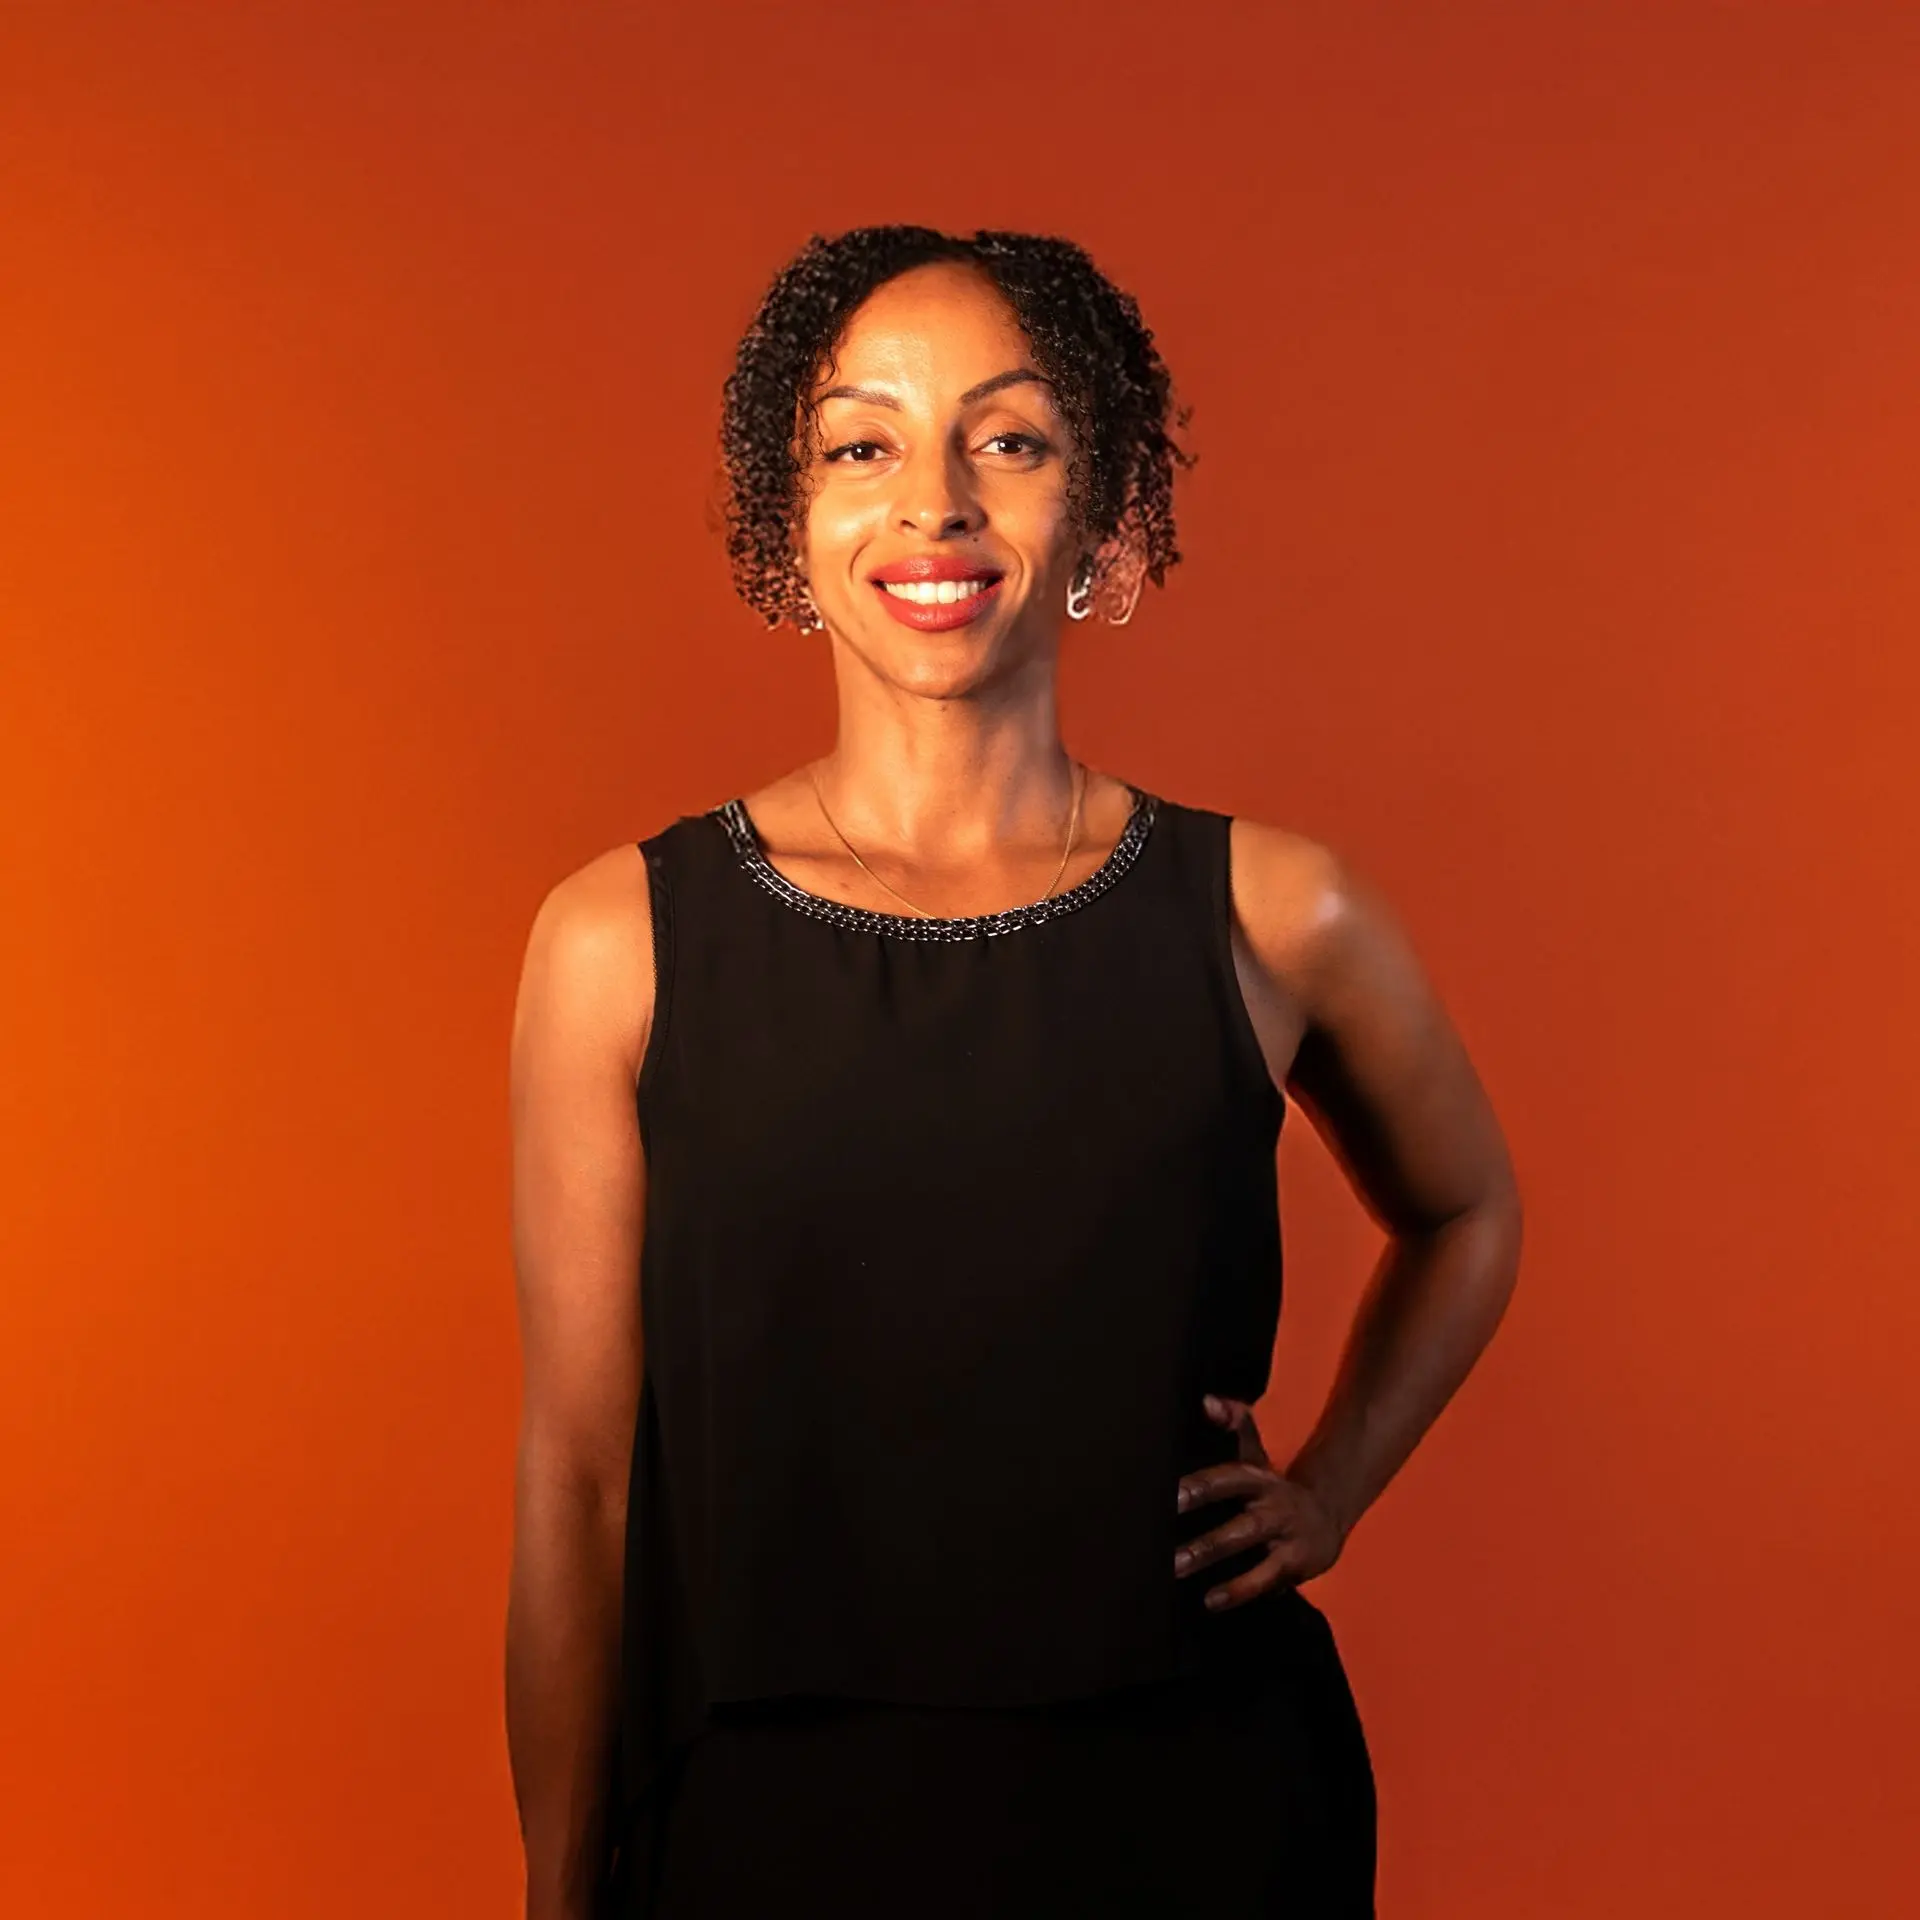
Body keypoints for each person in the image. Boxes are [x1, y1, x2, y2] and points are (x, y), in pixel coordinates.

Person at [504, 225, 1523, 1920]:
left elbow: (1469, 1210)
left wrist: (1330, 1488)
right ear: (789, 519)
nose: (935, 503)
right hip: (769, 1832)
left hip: (1198, 1819)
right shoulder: (623, 942)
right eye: (862, 446)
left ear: (1101, 512)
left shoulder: (1279, 912)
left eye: (1011, 439)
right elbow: (583, 1479)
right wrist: (558, 1886)